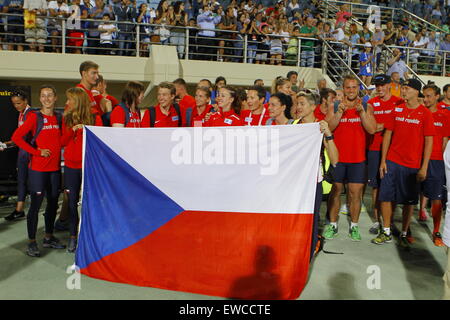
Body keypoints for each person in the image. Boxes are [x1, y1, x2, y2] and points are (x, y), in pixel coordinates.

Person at [372, 79, 435, 248]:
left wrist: (424, 167)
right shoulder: (397, 109)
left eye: (406, 88)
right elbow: (387, 135)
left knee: (408, 202)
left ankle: (405, 233)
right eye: (402, 88)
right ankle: (385, 230)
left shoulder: (425, 114)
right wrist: (383, 161)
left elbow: (429, 142)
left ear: (416, 91)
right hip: (392, 161)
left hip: (412, 165)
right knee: (385, 196)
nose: (403, 91)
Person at [11, 85, 65, 257]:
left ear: (55, 98)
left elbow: (62, 140)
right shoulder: (35, 117)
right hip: (38, 170)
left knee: (53, 204)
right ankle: (32, 242)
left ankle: (48, 237)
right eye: (43, 96)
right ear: (40, 99)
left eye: (50, 95)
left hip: (55, 170)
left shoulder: (59, 117)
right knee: (35, 206)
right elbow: (16, 137)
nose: (47, 98)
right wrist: (36, 152)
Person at [324, 75, 377, 242]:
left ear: (358, 89)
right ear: (343, 88)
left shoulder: (367, 106)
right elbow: (328, 129)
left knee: (355, 194)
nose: (351, 90)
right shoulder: (335, 105)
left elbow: (372, 130)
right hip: (337, 159)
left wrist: (362, 114)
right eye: (348, 87)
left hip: (358, 159)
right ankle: (333, 224)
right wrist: (339, 114)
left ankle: (354, 226)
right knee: (335, 192)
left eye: (354, 87)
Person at [293, 91, 339, 258]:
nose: (298, 107)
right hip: (294, 183)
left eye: (302, 103)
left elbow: (335, 159)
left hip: (313, 183)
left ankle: (310, 251)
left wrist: (329, 134)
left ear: (313, 107)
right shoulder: (293, 126)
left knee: (311, 219)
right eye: (297, 103)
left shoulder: (320, 128)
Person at [61, 87, 103, 252]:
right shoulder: (66, 118)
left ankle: (89, 235)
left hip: (89, 167)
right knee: (71, 202)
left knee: (90, 202)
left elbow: (99, 142)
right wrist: (73, 130)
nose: (67, 103)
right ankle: (73, 236)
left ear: (77, 101)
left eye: (69, 99)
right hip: (71, 166)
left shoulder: (95, 117)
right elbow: (62, 142)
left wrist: (86, 129)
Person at [366, 74, 403, 235]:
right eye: (376, 85)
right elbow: (372, 128)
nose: (379, 88)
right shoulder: (371, 103)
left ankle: (389, 220)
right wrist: (387, 125)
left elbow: (398, 125)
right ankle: (377, 220)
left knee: (391, 187)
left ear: (389, 85)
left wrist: (381, 125)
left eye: (382, 85)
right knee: (376, 187)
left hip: (393, 150)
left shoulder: (399, 102)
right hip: (375, 148)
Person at [418, 84, 449, 247]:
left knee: (436, 198)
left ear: (437, 96)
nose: (426, 99)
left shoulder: (444, 115)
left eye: (429, 96)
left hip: (436, 161)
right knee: (411, 195)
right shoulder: (420, 113)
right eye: (424, 96)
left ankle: (436, 231)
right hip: (417, 158)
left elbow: (444, 140)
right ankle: (406, 229)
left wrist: (440, 160)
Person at [3, 90, 32, 221]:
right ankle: (19, 209)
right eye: (14, 104)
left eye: (19, 103)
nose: (16, 106)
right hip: (22, 151)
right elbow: (19, 137)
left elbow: (25, 137)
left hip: (28, 152)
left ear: (26, 101)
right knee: (21, 180)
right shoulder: (21, 114)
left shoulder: (30, 114)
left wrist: (9, 144)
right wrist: (7, 144)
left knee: (29, 181)